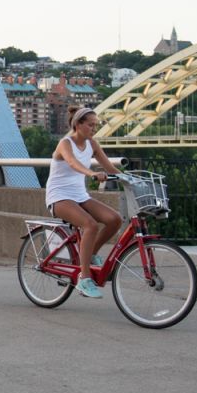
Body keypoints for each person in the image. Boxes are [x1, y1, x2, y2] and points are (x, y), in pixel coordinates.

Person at [46, 105, 123, 299]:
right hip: (60, 196)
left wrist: (133, 180)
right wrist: (92, 173)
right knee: (90, 225)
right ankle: (84, 277)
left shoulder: (92, 144)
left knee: (114, 219)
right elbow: (72, 163)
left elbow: (110, 168)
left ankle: (89, 255)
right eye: (90, 125)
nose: (93, 129)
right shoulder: (65, 143)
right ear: (78, 125)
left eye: (95, 125)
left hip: (80, 195)